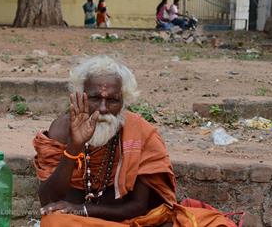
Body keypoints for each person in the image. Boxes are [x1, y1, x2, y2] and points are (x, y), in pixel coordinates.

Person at [33, 56, 239, 227]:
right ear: (80, 96)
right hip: (74, 222)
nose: (103, 109)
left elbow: (138, 205)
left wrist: (83, 209)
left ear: (124, 101)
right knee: (53, 222)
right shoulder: (61, 129)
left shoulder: (141, 133)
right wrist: (74, 147)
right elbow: (48, 199)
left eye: (112, 100)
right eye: (95, 98)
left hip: (127, 222)